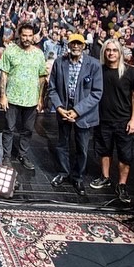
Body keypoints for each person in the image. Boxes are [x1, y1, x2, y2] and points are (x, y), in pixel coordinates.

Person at [48, 33, 103, 196]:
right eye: (73, 43)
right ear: (69, 45)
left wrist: (77, 110)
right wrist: (59, 107)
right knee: (62, 145)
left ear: (84, 46)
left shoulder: (94, 64)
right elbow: (52, 89)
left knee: (82, 148)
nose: (76, 46)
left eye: (79, 44)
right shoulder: (59, 62)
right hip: (64, 110)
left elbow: (96, 93)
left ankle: (78, 177)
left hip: (84, 112)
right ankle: (63, 173)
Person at [90, 38, 134, 203]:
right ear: (104, 52)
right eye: (108, 50)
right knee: (104, 151)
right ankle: (105, 177)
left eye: (114, 50)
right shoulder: (98, 70)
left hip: (123, 121)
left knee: (125, 155)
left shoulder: (131, 72)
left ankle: (122, 185)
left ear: (120, 52)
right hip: (102, 120)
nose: (111, 53)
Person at [0, 22, 48, 170]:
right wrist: (3, 95)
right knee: (9, 129)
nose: (27, 38)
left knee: (27, 130)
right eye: (24, 35)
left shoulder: (39, 54)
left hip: (31, 99)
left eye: (30, 36)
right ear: (19, 35)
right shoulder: (10, 51)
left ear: (33, 37)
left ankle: (23, 155)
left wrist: (40, 98)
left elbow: (42, 77)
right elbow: (3, 74)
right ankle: (6, 157)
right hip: (12, 97)